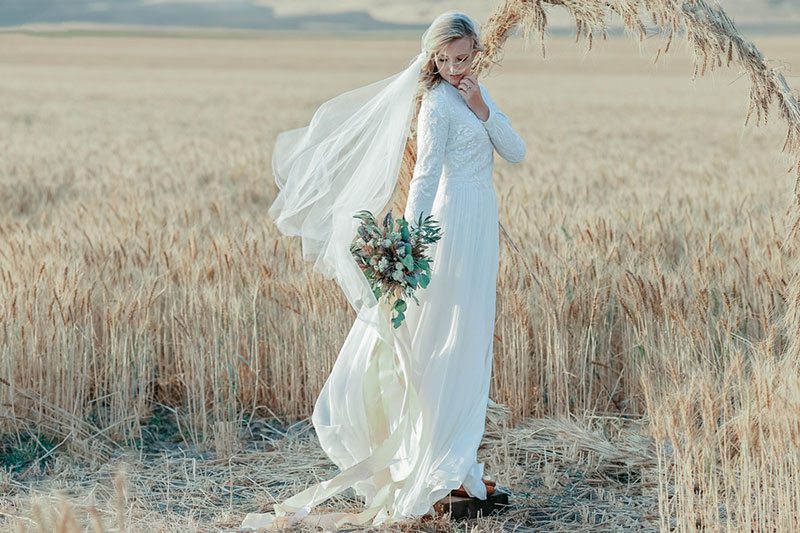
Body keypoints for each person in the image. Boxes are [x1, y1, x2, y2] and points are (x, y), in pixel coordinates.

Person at [241, 11, 525, 531]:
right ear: (435, 58)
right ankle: (439, 465)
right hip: (450, 227)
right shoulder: (436, 106)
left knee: (473, 337)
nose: (458, 67)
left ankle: (459, 467)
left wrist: (483, 108)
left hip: (481, 224)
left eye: (465, 58)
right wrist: (412, 246)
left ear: (476, 53)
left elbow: (516, 151)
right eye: (449, 59)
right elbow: (423, 178)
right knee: (445, 341)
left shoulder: (473, 96)